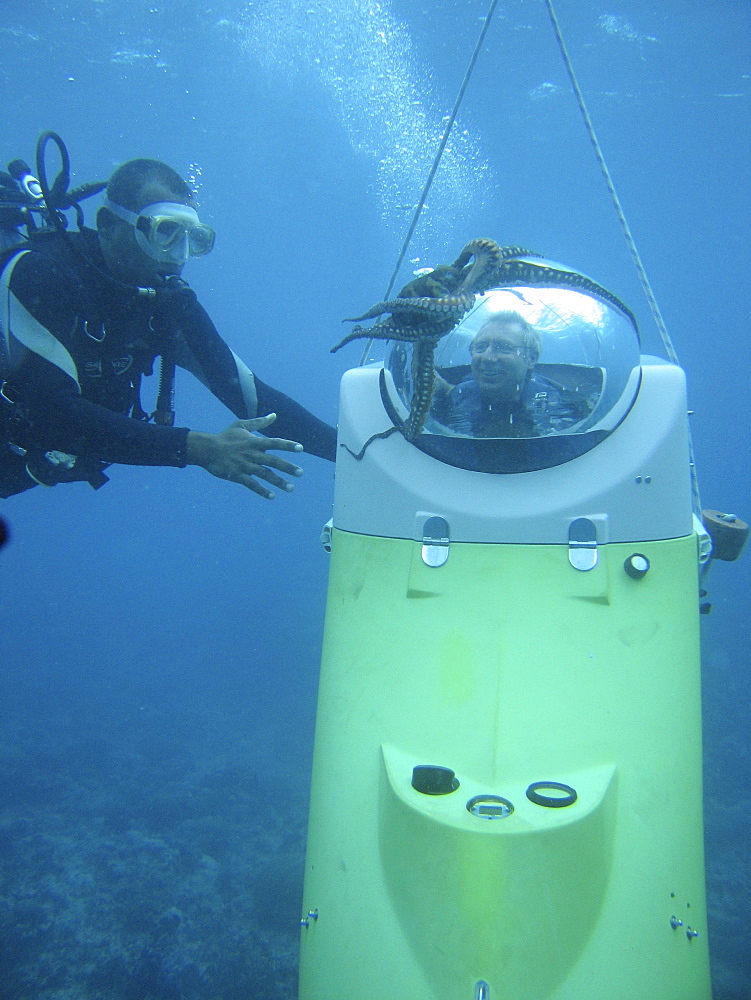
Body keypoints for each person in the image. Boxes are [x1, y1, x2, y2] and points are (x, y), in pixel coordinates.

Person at [0, 158, 336, 500]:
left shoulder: (166, 303)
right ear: (108, 225)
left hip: (26, 466)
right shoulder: (37, 275)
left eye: (193, 238)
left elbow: (253, 398)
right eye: (165, 231)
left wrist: (351, 452)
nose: (179, 255)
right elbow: (54, 415)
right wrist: (199, 447)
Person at [435, 311, 587, 438]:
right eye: (480, 347)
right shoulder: (462, 393)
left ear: (531, 359)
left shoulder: (551, 403)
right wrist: (442, 388)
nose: (487, 357)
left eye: (503, 347)